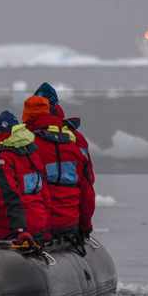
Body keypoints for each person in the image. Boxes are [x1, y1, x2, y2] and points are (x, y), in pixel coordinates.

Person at [21, 94, 95, 242]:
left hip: (36, 229)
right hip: (69, 224)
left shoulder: (25, 149)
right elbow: (87, 192)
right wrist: (85, 227)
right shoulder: (74, 148)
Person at [0, 110, 50, 243]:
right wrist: (47, 231)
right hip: (39, 226)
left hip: (9, 230)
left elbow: (9, 196)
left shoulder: (1, 160)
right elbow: (44, 196)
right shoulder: (32, 155)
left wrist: (19, 230)